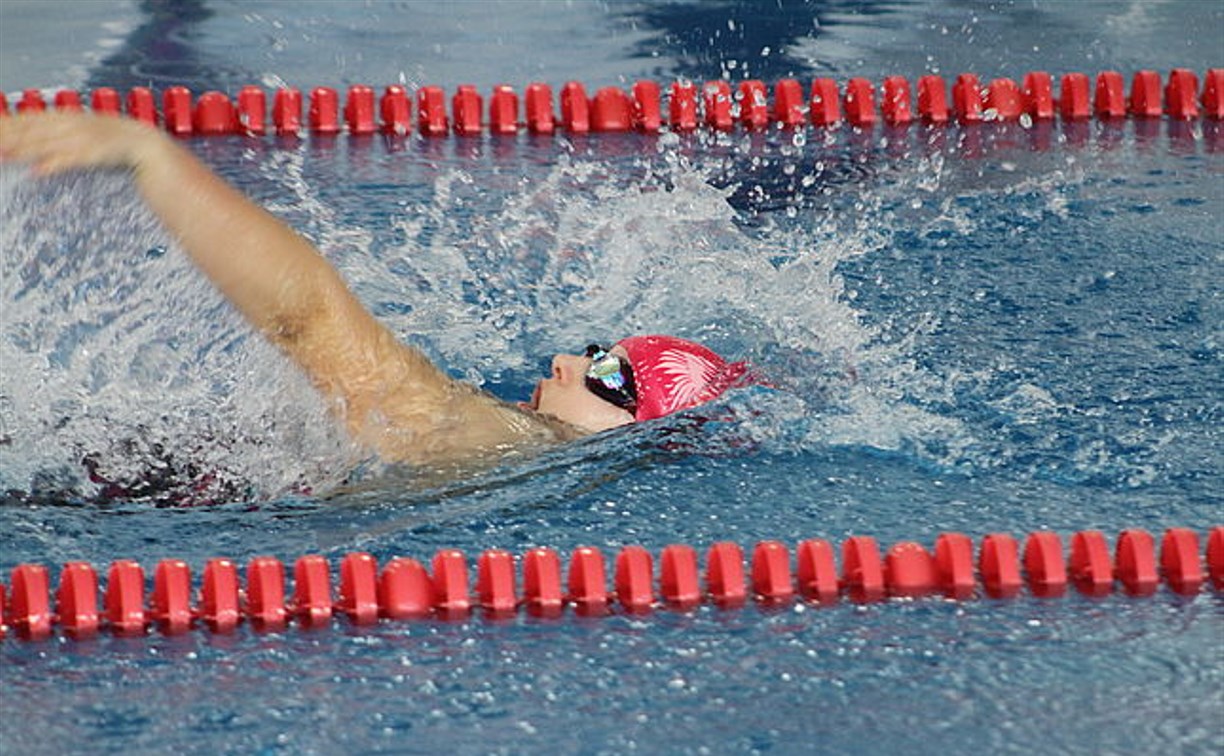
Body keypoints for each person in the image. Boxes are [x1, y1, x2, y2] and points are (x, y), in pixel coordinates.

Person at [0, 111, 748, 468]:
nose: (565, 361)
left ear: (640, 429)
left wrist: (148, 156)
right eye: (595, 351)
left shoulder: (498, 440)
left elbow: (309, 320)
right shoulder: (519, 453)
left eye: (609, 374)